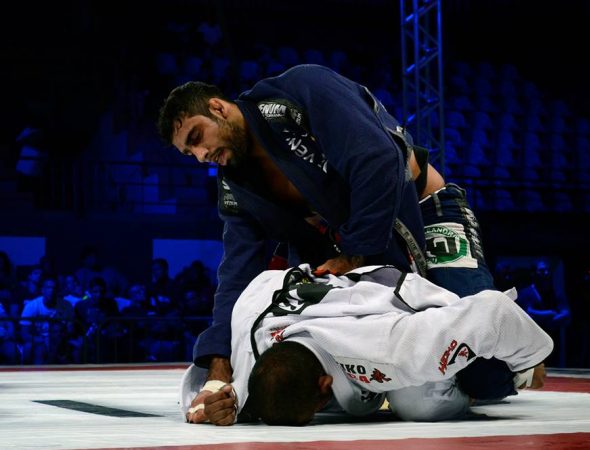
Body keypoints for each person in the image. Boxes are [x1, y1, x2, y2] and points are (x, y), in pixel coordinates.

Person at [158, 64, 512, 421]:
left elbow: (378, 159)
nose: (201, 155)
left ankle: (510, 359)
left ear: (218, 108)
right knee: (283, 370)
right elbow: (236, 273)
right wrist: (218, 368)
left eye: (197, 137)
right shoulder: (236, 185)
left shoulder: (298, 92)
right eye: (190, 153)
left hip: (422, 211)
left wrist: (355, 253)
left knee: (486, 369)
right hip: (341, 248)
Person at [180, 265, 552, 425]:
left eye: (318, 411)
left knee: (420, 404)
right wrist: (211, 403)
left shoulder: (386, 349)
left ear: (325, 385)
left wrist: (528, 360)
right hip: (311, 285)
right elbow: (206, 386)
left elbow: (493, 311)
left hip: (405, 296)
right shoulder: (251, 348)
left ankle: (484, 388)